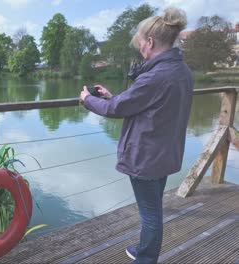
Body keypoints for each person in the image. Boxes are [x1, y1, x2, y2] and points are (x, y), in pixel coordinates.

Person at [79, 7, 193, 264]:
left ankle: (146, 258)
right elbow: (141, 104)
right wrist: (112, 96)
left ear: (150, 42)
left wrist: (88, 100)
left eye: (140, 44)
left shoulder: (154, 76)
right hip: (165, 154)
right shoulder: (182, 72)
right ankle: (144, 250)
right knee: (153, 208)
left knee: (150, 213)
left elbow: (116, 109)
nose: (140, 49)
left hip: (145, 157)